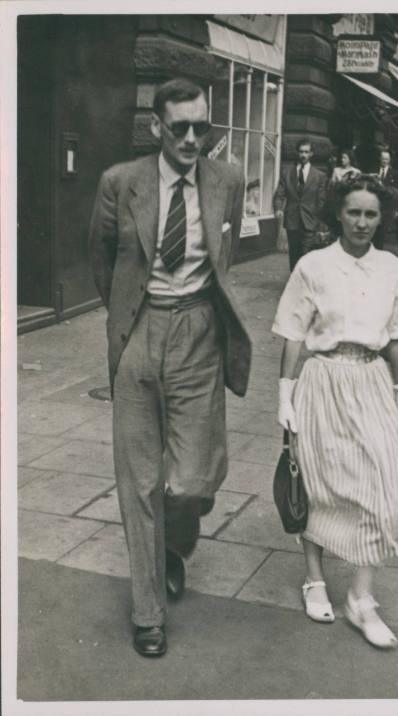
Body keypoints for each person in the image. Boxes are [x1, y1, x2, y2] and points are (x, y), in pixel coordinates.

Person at [89, 78, 251, 658]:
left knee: (190, 481)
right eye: (179, 126)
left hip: (200, 332)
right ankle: (148, 612)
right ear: (157, 126)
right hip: (139, 330)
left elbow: (224, 254)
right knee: (137, 480)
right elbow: (102, 260)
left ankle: (173, 549)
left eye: (200, 127)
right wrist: (130, 320)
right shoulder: (120, 182)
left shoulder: (227, 181)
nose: (190, 138)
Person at [273, 175, 398, 650]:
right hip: (323, 380)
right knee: (319, 483)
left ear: (381, 218)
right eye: (354, 212)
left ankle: (360, 597)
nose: (362, 222)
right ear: (339, 213)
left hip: (371, 379)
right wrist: (285, 394)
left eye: (371, 214)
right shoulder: (313, 266)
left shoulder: (393, 268)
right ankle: (314, 578)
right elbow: (293, 333)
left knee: (382, 492)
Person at [273, 138, 328, 271]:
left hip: (309, 221)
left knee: (307, 254)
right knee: (294, 254)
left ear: (311, 154)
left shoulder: (319, 176)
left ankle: (305, 284)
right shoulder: (287, 173)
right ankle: (294, 282)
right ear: (297, 153)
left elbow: (321, 202)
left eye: (306, 152)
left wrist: (320, 225)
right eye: (301, 152)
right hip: (292, 220)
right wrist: (279, 208)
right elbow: (279, 194)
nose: (303, 155)